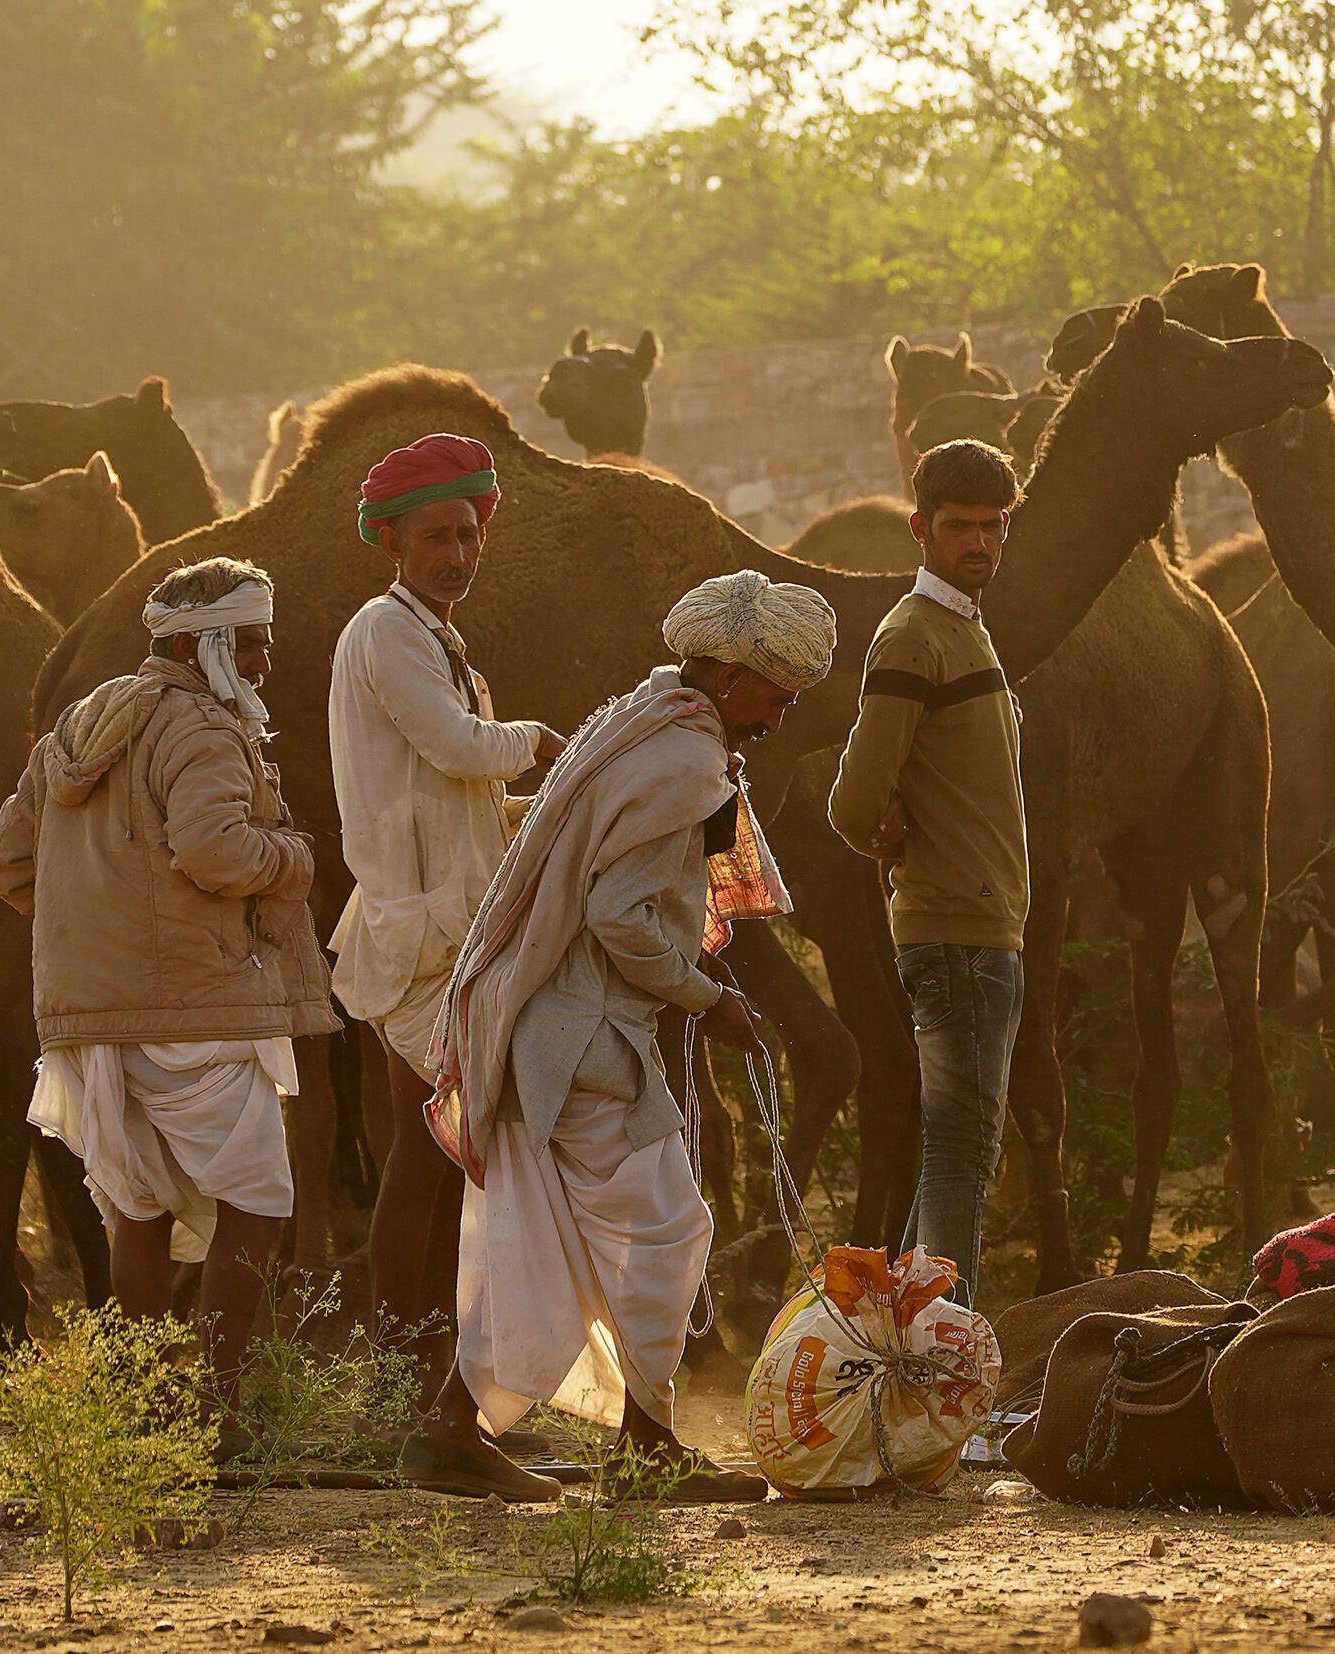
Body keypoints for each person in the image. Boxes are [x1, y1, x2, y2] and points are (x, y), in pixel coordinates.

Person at [402, 569, 836, 1503]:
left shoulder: (643, 714)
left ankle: (457, 1429)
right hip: (584, 1040)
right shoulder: (681, 761)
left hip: (558, 1032)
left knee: (545, 1245)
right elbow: (618, 914)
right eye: (778, 690)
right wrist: (702, 997)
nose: (785, 710)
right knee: (670, 1232)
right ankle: (640, 1447)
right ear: (730, 677)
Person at [0, 557, 336, 1445]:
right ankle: (219, 1417)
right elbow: (217, 855)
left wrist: (95, 923)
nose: (263, 662)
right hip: (199, 1010)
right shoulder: (204, 732)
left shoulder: (76, 726)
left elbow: (7, 860)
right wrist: (294, 859)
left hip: (90, 1020)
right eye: (249, 642)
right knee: (257, 1202)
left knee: (137, 1208)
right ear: (197, 643)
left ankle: (139, 1413)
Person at [330, 432, 565, 1417]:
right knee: (424, 1173)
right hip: (421, 936)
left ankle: (432, 1398)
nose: (457, 555)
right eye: (436, 537)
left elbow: (459, 791)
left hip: (440, 929)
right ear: (391, 541)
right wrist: (549, 747)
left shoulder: (429, 638)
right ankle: (425, 1406)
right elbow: (459, 747)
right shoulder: (386, 633)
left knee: (428, 1169)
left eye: (468, 535)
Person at [828, 439, 1030, 1308]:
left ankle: (899, 1357)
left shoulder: (959, 629)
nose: (977, 543)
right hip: (955, 935)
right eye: (959, 528)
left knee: (959, 1154)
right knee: (960, 1156)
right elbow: (850, 799)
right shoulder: (912, 636)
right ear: (920, 530)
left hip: (981, 933)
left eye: (992, 527)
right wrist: (893, 841)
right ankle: (949, 1378)